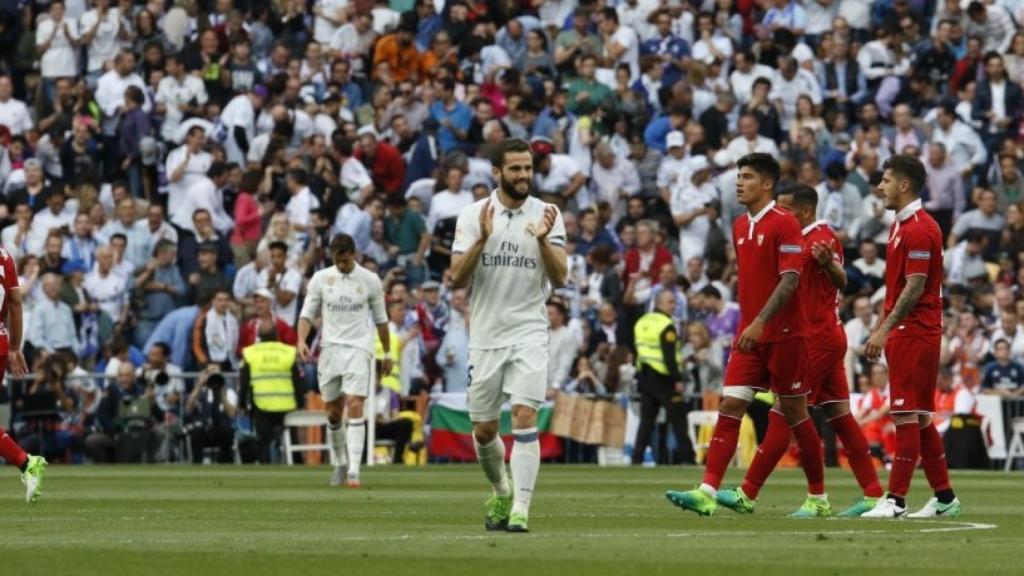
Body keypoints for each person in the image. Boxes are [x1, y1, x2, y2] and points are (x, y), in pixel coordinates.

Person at [666, 153, 826, 517]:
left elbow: (790, 280)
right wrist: (748, 323)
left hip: (786, 335)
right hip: (750, 336)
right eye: (739, 176)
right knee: (731, 405)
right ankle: (707, 491)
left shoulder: (785, 223)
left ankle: (818, 497)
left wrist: (759, 321)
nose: (739, 183)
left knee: (796, 415)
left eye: (748, 177)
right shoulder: (739, 225)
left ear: (767, 184)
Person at [716, 184, 885, 517]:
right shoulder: (794, 234)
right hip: (825, 333)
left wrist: (831, 266)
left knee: (786, 411)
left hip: (815, 337)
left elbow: (841, 279)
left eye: (786, 209)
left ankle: (749, 493)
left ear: (805, 212)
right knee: (839, 416)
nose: (779, 214)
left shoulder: (819, 237)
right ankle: (873, 493)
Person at [450, 138, 568, 533]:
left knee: (524, 415)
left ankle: (521, 507)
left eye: (528, 168)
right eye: (515, 169)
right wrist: (482, 238)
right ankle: (502, 490)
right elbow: (457, 278)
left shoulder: (549, 214)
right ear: (497, 172)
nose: (523, 176)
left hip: (529, 331)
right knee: (484, 430)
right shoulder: (472, 215)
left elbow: (560, 277)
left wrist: (541, 239)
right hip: (485, 334)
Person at [863, 154, 961, 518]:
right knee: (919, 418)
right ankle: (945, 498)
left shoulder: (920, 228)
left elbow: (916, 285)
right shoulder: (900, 225)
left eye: (885, 180)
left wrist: (883, 328)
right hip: (911, 330)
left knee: (905, 415)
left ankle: (896, 500)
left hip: (915, 330)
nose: (880, 187)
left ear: (904, 185)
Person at [298, 234, 391, 488]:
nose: (341, 265)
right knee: (333, 413)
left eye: (345, 261)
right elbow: (307, 313)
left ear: (354, 254)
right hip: (330, 350)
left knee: (355, 404)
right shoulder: (321, 279)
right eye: (337, 261)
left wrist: (387, 353)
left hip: (360, 349)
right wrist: (301, 340)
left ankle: (354, 472)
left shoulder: (370, 280)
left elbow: (382, 320)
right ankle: (339, 462)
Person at [0, 247, 47, 501]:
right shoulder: (4, 256)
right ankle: (26, 462)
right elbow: (15, 302)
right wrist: (15, 346)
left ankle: (26, 462)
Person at [631, 290, 694, 465]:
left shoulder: (642, 322)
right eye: (670, 302)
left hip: (645, 376)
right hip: (664, 379)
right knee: (679, 419)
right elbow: (669, 356)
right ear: (659, 304)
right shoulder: (666, 325)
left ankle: (636, 458)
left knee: (646, 421)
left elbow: (637, 349)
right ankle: (687, 459)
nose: (674, 305)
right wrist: (678, 379)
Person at [238, 329, 302, 463]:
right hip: (286, 405)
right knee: (291, 439)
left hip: (262, 404)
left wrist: (242, 404)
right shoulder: (288, 352)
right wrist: (300, 403)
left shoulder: (251, 353)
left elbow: (244, 381)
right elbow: (297, 381)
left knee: (264, 442)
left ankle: (265, 467)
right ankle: (296, 463)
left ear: (259, 338)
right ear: (277, 337)